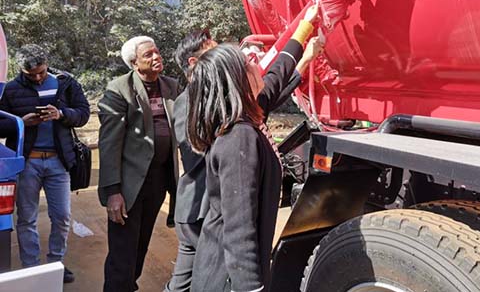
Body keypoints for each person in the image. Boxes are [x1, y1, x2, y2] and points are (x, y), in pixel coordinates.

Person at [165, 24, 322, 292]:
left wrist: (304, 40)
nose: (256, 64)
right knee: (183, 282)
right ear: (234, 80)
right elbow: (238, 232)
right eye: (248, 62)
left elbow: (270, 87)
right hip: (202, 217)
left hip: (220, 236)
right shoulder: (236, 135)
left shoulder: (237, 121)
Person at [0, 44, 90, 283]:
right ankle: (31, 268)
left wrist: (61, 115)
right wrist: (20, 122)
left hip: (58, 162)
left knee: (61, 216)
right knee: (26, 218)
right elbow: (0, 124)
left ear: (47, 64)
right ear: (21, 70)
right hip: (28, 163)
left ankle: (55, 263)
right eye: (31, 75)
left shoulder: (65, 83)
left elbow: (83, 114)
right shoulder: (11, 89)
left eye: (41, 72)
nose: (38, 78)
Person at [98, 36, 179, 292]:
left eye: (157, 52)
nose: (156, 57)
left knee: (141, 243)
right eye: (148, 55)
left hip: (158, 180)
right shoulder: (120, 89)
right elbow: (109, 143)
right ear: (134, 63)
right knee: (123, 250)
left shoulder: (171, 86)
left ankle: (128, 286)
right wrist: (113, 191)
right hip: (129, 184)